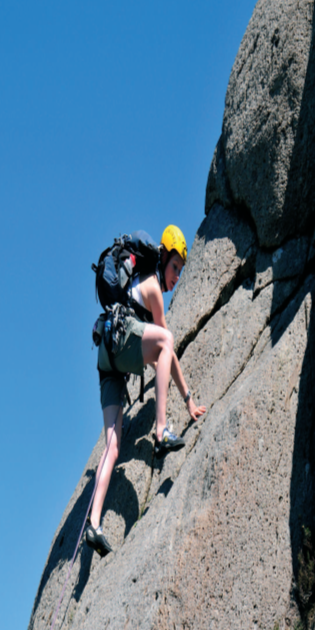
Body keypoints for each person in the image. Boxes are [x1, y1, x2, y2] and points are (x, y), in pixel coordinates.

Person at [86, 225, 205, 556]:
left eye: (180, 272)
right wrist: (188, 400)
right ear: (163, 258)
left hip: (106, 358)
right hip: (123, 340)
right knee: (166, 340)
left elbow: (159, 360)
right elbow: (168, 349)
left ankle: (93, 525)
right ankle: (161, 429)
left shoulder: (138, 284)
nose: (176, 277)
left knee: (112, 446)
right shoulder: (152, 286)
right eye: (175, 268)